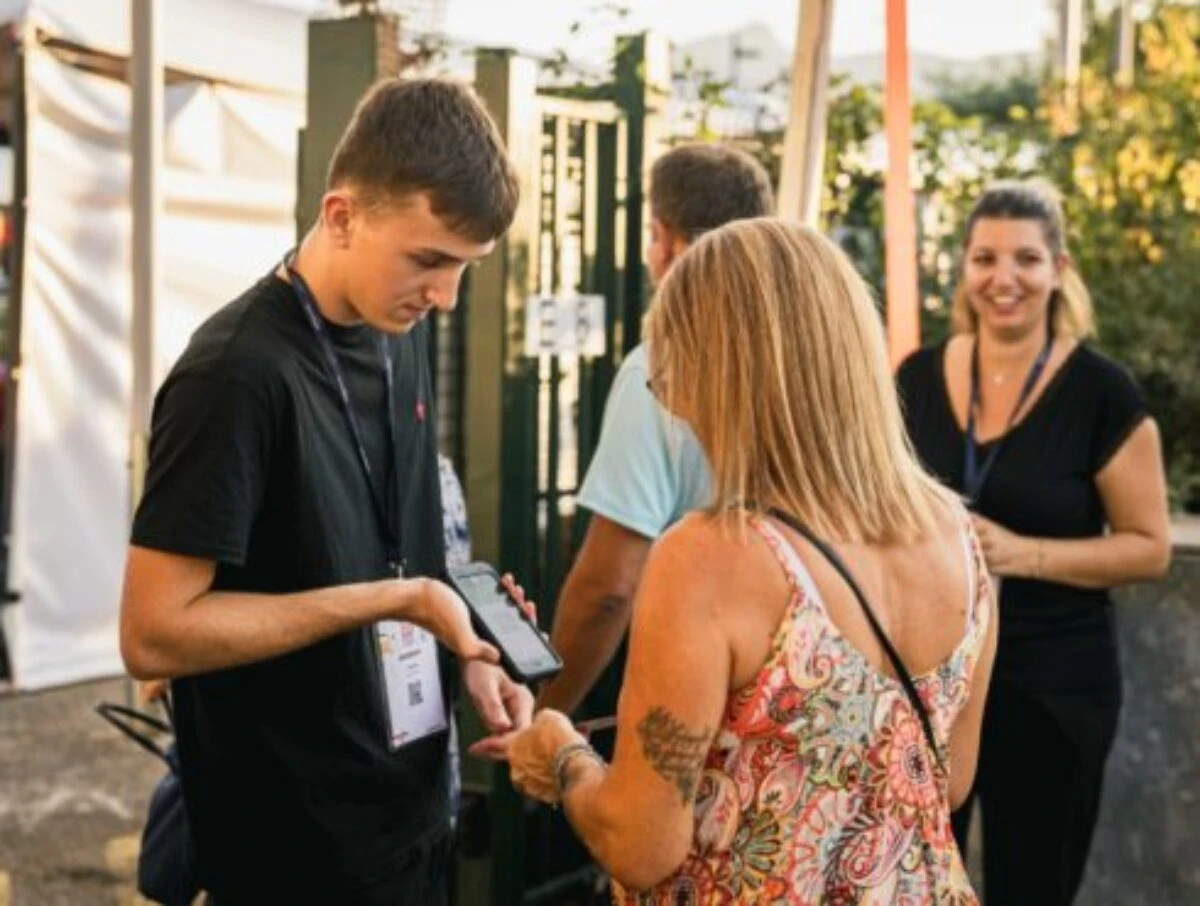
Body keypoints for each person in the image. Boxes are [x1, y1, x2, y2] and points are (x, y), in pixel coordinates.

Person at [479, 218, 999, 903]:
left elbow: (641, 844)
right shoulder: (957, 533)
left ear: (724, 373)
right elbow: (946, 780)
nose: (667, 397)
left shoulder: (710, 556)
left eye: (671, 368)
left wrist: (561, 754)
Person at [118, 78, 533, 906]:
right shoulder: (234, 373)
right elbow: (152, 636)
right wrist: (395, 600)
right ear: (341, 216)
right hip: (292, 851)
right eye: (429, 260)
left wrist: (473, 649)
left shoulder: (397, 327)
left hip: (413, 820)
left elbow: (399, 544)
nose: (447, 296)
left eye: (465, 267)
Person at [896, 179, 1171, 906]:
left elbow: (1149, 548)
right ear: (964, 267)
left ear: (1059, 270)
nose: (1004, 278)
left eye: (1026, 258)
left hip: (1054, 690)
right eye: (985, 258)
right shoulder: (915, 377)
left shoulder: (1102, 393)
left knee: (1033, 889)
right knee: (916, 885)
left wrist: (1024, 554)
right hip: (934, 683)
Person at [536, 143, 774, 716]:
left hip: (694, 691)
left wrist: (548, 710)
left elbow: (609, 586)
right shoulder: (810, 360)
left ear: (667, 242)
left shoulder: (660, 366)